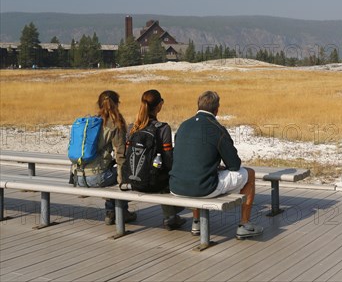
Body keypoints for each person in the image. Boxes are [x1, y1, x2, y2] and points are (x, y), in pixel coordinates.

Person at [170, 91, 263, 239]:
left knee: (195, 172)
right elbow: (234, 165)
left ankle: (196, 222)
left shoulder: (183, 126)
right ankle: (244, 224)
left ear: (198, 105)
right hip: (204, 187)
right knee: (250, 174)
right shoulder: (216, 128)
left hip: (176, 186)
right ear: (217, 109)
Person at [72, 90, 136, 225]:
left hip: (78, 177)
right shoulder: (115, 124)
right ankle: (119, 212)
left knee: (109, 171)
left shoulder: (91, 122)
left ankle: (110, 212)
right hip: (96, 178)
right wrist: (122, 181)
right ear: (117, 104)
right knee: (122, 173)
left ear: (99, 104)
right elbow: (120, 155)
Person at [127, 89, 186, 230]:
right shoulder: (163, 128)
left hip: (134, 181)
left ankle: (171, 216)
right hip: (155, 183)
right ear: (159, 105)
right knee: (169, 175)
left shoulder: (132, 128)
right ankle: (170, 216)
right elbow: (168, 160)